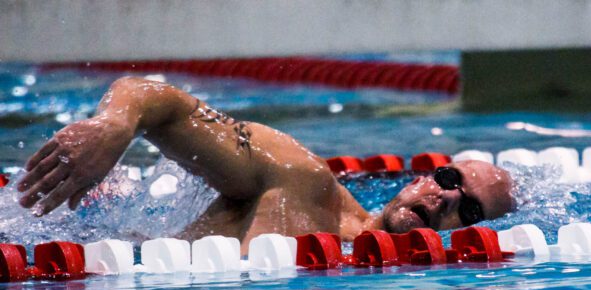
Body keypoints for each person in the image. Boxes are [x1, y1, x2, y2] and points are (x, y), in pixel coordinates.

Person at [17, 77, 515, 253]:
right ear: (421, 177)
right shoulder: (299, 180)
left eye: (468, 211)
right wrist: (113, 127)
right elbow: (158, 101)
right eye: (450, 180)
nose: (447, 197)